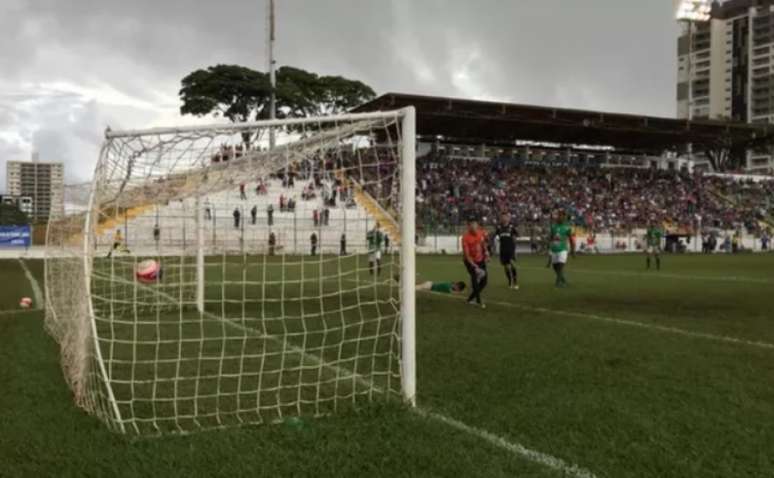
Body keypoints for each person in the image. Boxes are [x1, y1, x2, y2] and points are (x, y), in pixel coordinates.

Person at [462, 219, 488, 308]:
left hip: (480, 260)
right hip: (469, 261)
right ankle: (478, 300)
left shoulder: (481, 233)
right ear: (468, 226)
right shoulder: (465, 238)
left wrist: (486, 253)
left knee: (484, 282)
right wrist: (473, 265)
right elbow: (467, 254)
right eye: (471, 224)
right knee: (474, 278)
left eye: (475, 224)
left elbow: (483, 244)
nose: (474, 226)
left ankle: (470, 299)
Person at [547, 210, 574, 288]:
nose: (561, 217)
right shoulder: (553, 226)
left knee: (561, 266)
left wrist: (572, 250)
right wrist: (549, 248)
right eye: (560, 215)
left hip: (563, 249)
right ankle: (563, 280)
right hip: (554, 249)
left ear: (564, 217)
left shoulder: (567, 227)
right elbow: (551, 238)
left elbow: (571, 239)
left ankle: (557, 283)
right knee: (555, 267)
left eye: (562, 216)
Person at [494, 213, 519, 290]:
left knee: (512, 264)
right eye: (502, 217)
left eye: (505, 217)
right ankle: (509, 281)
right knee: (506, 266)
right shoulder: (499, 228)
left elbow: (515, 238)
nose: (504, 218)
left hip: (510, 249)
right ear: (501, 218)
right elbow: (495, 236)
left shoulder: (511, 227)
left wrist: (515, 250)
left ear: (508, 218)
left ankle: (515, 282)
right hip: (503, 250)